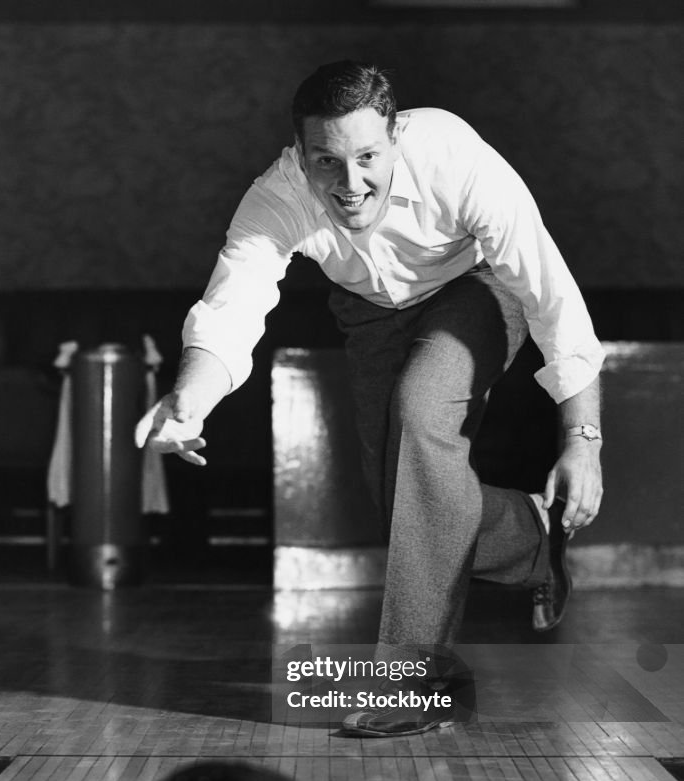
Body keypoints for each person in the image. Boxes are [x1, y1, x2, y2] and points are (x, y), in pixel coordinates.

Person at [135, 60, 604, 736]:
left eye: (366, 158)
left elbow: (551, 298)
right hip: (369, 314)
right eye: (326, 161)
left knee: (420, 413)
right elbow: (231, 309)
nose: (349, 184)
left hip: (473, 291)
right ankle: (530, 539)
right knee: (404, 503)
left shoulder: (455, 160)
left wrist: (580, 441)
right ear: (301, 154)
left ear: (394, 137)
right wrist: (188, 399)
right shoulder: (278, 197)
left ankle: (413, 679)